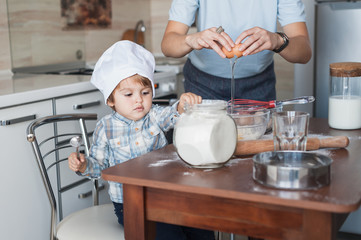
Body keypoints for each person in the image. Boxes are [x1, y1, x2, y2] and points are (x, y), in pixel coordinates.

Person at [67, 40, 215, 240]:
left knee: (200, 225)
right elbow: (99, 167)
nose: (138, 99)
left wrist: (183, 104)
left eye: (145, 93)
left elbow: (172, 114)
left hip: (167, 195)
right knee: (169, 234)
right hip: (131, 205)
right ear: (110, 100)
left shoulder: (154, 115)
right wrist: (83, 165)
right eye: (128, 94)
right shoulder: (105, 128)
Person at [161, 0, 312, 102]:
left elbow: (304, 52)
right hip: (202, 86)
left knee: (257, 145)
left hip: (258, 86)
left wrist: (278, 40)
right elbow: (168, 45)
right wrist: (191, 40)